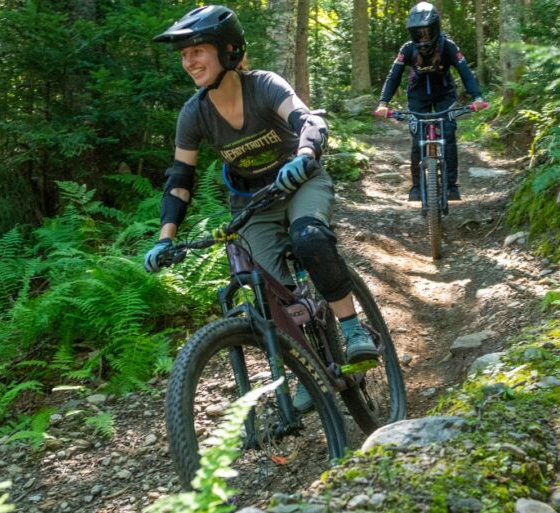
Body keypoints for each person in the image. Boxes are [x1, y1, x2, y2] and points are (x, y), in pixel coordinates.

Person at [143, 5, 377, 411]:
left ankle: (354, 329)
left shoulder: (264, 85)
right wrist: (165, 240)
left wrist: (304, 154)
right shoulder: (193, 114)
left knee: (309, 238)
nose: (188, 62)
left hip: (300, 182)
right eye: (183, 55)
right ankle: (307, 365)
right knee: (267, 288)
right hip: (252, 201)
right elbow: (180, 180)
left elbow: (310, 122)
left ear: (228, 49)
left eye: (197, 50)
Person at [374, 1, 485, 201]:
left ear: (435, 28)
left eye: (426, 31)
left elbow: (465, 71)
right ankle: (417, 187)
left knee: (448, 135)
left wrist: (477, 97)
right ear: (412, 33)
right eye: (418, 32)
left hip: (444, 93)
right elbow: (394, 76)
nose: (423, 36)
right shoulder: (407, 49)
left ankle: (451, 186)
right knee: (417, 141)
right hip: (417, 94)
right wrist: (383, 102)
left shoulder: (448, 45)